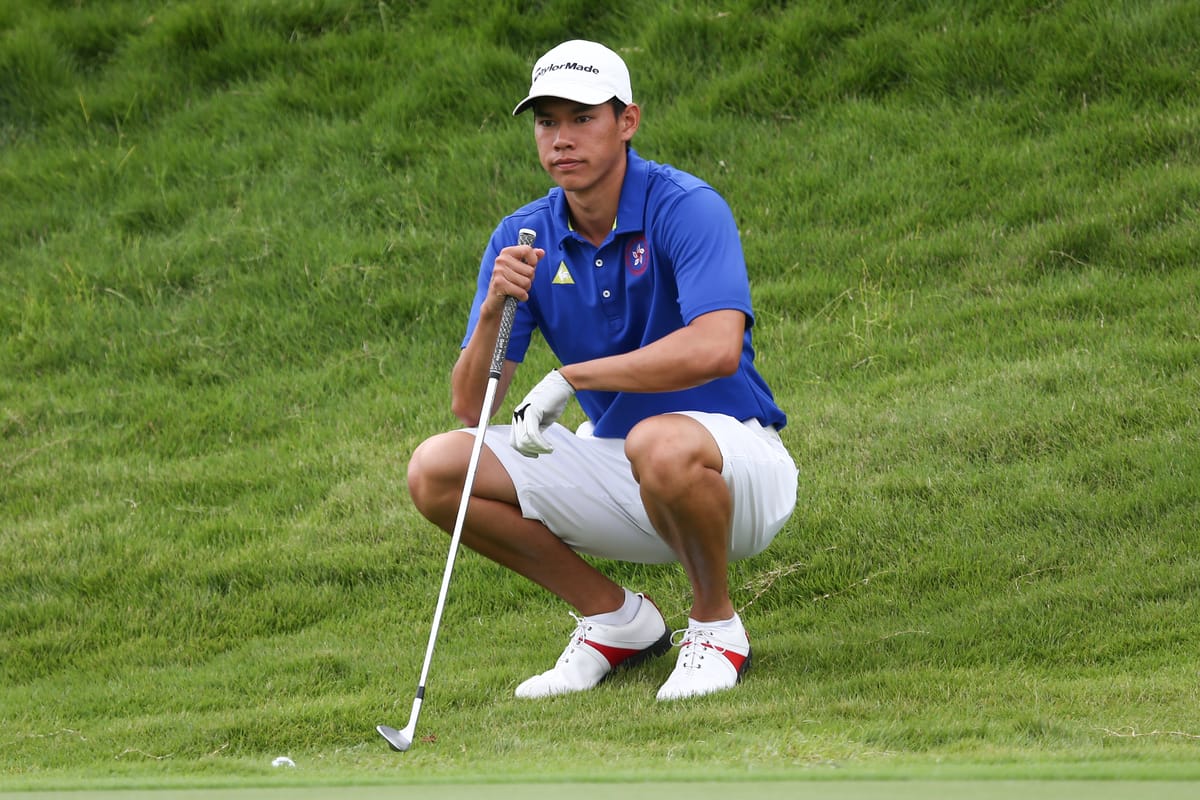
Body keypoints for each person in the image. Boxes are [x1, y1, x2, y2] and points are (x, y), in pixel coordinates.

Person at [406, 39, 798, 702]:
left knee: (661, 440)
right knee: (437, 469)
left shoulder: (685, 206)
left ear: (627, 121)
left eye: (582, 118)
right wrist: (494, 309)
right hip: (619, 467)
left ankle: (716, 626)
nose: (561, 138)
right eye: (546, 121)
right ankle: (616, 619)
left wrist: (572, 378)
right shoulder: (523, 237)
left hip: (736, 470)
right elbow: (474, 408)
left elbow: (716, 347)